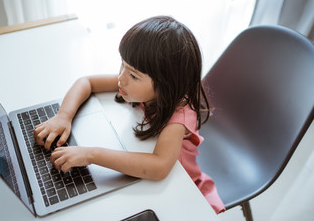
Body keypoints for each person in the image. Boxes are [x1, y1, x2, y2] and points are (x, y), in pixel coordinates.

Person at [34, 15, 225, 214]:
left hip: (185, 191)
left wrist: (91, 154)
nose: (121, 79)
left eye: (133, 75)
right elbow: (87, 82)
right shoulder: (142, 86)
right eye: (123, 65)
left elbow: (159, 166)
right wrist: (63, 116)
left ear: (165, 85)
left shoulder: (179, 118)